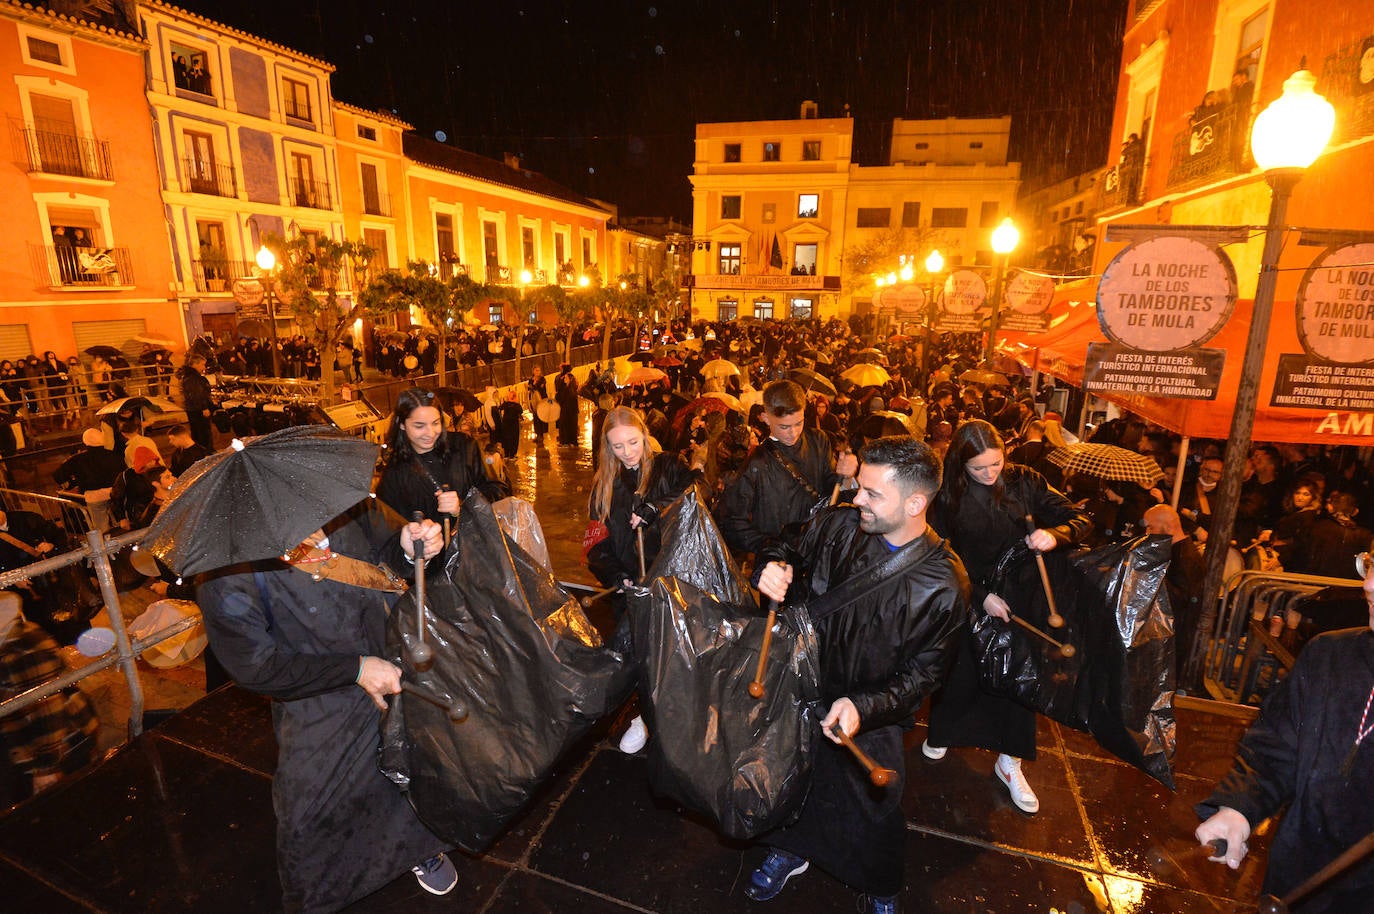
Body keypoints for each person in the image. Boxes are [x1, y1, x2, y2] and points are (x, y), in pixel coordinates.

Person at [195, 501, 455, 912]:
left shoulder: (348, 506)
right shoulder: (227, 570)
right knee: (310, 803)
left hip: (387, 657)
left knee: (409, 763)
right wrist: (353, 670)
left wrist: (408, 546)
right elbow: (255, 667)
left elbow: (388, 558)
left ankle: (417, 847)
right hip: (314, 692)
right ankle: (313, 899)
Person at [749, 436, 969, 914]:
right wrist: (770, 568)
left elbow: (924, 675)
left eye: (872, 493)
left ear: (915, 503)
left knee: (875, 807)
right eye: (859, 487)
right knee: (791, 778)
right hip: (802, 685)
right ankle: (790, 849)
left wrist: (863, 707)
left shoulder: (945, 584)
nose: (856, 499)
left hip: (871, 713)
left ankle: (879, 884)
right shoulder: (838, 524)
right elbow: (783, 544)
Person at [923, 419, 1092, 814]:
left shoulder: (1025, 481)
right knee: (960, 671)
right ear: (960, 464)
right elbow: (940, 553)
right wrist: (980, 597)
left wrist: (1057, 534)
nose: (988, 473)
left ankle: (1010, 761)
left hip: (1022, 595)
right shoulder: (947, 495)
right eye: (978, 468)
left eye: (995, 464)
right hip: (970, 591)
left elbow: (1081, 519)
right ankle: (945, 732)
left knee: (1018, 679)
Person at [1194, 559, 1374, 913]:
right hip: (1295, 881)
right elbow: (1275, 749)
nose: (1369, 585)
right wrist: (1240, 808)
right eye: (1370, 563)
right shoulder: (1329, 654)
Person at [586, 407, 700, 754]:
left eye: (633, 442)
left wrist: (658, 507)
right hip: (630, 588)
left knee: (677, 656)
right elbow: (595, 547)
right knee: (640, 659)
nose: (628, 452)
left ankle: (673, 720)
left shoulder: (669, 466)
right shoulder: (603, 486)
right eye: (617, 447)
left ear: (644, 434)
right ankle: (643, 717)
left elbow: (698, 490)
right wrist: (614, 575)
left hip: (673, 581)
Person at [716, 380, 858, 558]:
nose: (793, 432)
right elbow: (732, 521)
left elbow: (831, 489)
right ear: (766, 418)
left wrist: (846, 477)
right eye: (784, 427)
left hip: (816, 549)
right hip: (779, 559)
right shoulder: (755, 461)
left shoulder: (818, 440)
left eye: (799, 423)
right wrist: (768, 546)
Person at [0, 592, 99, 805]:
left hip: (63, 743)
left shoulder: (22, 648)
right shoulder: (8, 639)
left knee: (68, 804)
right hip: (26, 739)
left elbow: (48, 712)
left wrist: (46, 769)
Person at [376, 387, 509, 524]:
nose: (430, 433)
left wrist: (464, 507)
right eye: (419, 426)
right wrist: (410, 533)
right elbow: (386, 525)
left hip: (471, 542)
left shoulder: (465, 447)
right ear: (402, 425)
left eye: (435, 423)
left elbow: (498, 491)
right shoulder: (394, 472)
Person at [1143, 504, 1207, 683]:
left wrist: (1154, 576)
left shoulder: (1186, 558)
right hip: (1167, 638)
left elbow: (1181, 600)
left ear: (1168, 527)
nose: (1147, 533)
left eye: (1151, 527)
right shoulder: (1177, 553)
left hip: (1173, 642)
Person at [54, 427, 125, 532]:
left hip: (94, 496)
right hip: (116, 493)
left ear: (85, 441)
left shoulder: (78, 459)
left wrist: (73, 483)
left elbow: (58, 475)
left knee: (101, 527)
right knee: (121, 521)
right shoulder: (114, 455)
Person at [178, 354, 215, 451]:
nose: (204, 367)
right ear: (194, 364)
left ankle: (201, 451)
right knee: (203, 432)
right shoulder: (193, 377)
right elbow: (197, 394)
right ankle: (206, 451)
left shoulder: (187, 376)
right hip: (198, 409)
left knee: (197, 431)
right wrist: (204, 407)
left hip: (193, 409)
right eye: (202, 364)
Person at [554, 363, 580, 445]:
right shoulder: (568, 388)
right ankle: (569, 441)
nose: (564, 379)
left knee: (568, 426)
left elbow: (559, 397)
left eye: (566, 378)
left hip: (568, 410)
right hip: (568, 410)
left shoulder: (569, 389)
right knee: (569, 426)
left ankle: (568, 441)